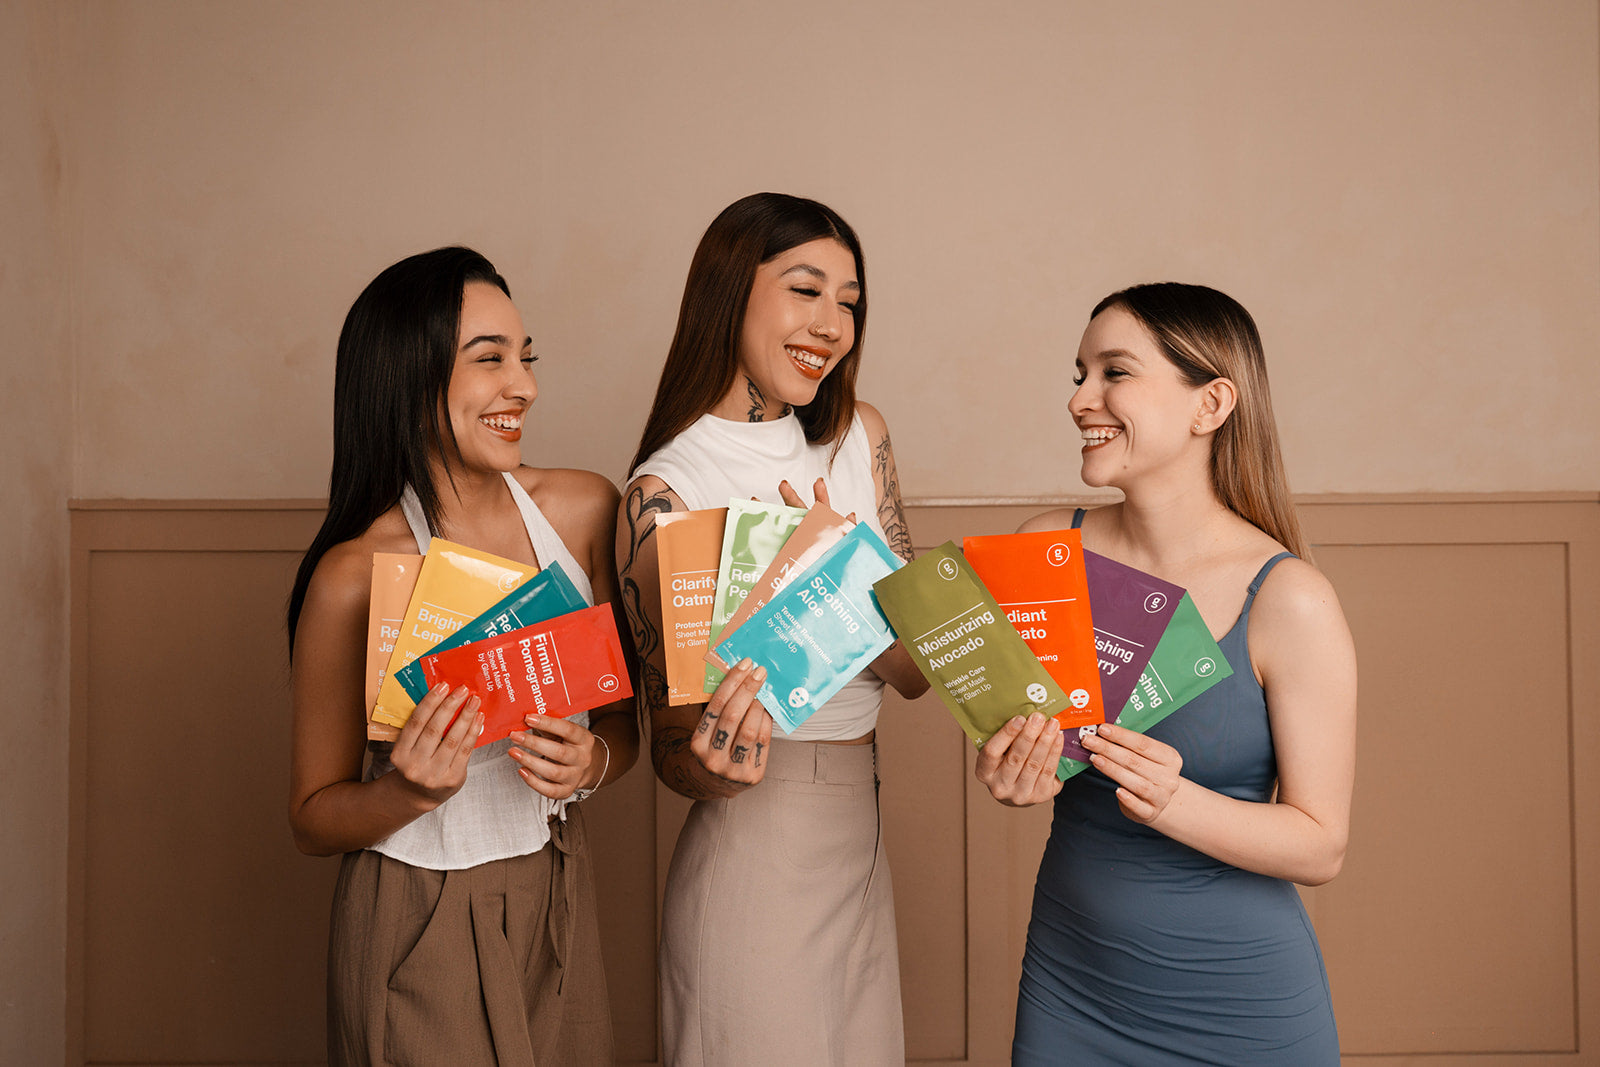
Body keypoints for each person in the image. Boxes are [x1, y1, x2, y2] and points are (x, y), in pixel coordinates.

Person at [979, 283, 1355, 1065]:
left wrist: (1173, 800)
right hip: (1069, 986)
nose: (1080, 400)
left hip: (1241, 1006)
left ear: (1210, 404)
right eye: (1080, 374)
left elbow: (1321, 845)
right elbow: (1023, 745)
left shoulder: (1289, 598)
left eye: (1114, 372)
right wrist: (1013, 771)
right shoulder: (1046, 551)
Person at [286, 247, 637, 1065]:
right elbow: (310, 816)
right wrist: (406, 791)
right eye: (489, 359)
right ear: (410, 379)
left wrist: (589, 762)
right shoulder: (353, 575)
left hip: (557, 884)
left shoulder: (585, 511)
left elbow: (622, 723)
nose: (525, 386)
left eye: (526, 358)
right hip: (413, 911)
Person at [616, 192, 929, 1065]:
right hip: (756, 847)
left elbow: (914, 672)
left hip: (864, 839)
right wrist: (718, 764)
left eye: (849, 301)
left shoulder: (861, 437)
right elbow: (675, 753)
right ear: (729, 292)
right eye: (804, 289)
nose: (832, 324)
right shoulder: (666, 493)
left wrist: (847, 577)